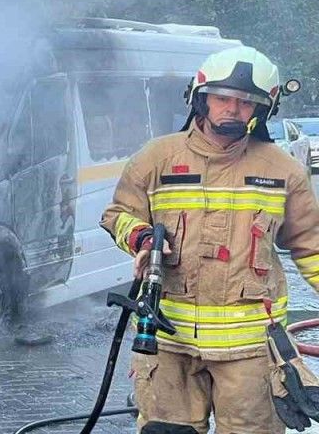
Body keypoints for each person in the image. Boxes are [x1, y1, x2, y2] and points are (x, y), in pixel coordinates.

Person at [101, 46, 319, 434]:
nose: (232, 110)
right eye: (222, 99)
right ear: (200, 99)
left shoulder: (282, 170)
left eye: (245, 103)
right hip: (168, 344)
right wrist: (141, 237)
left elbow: (311, 246)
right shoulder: (157, 159)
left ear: (263, 109)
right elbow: (118, 214)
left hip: (251, 353)